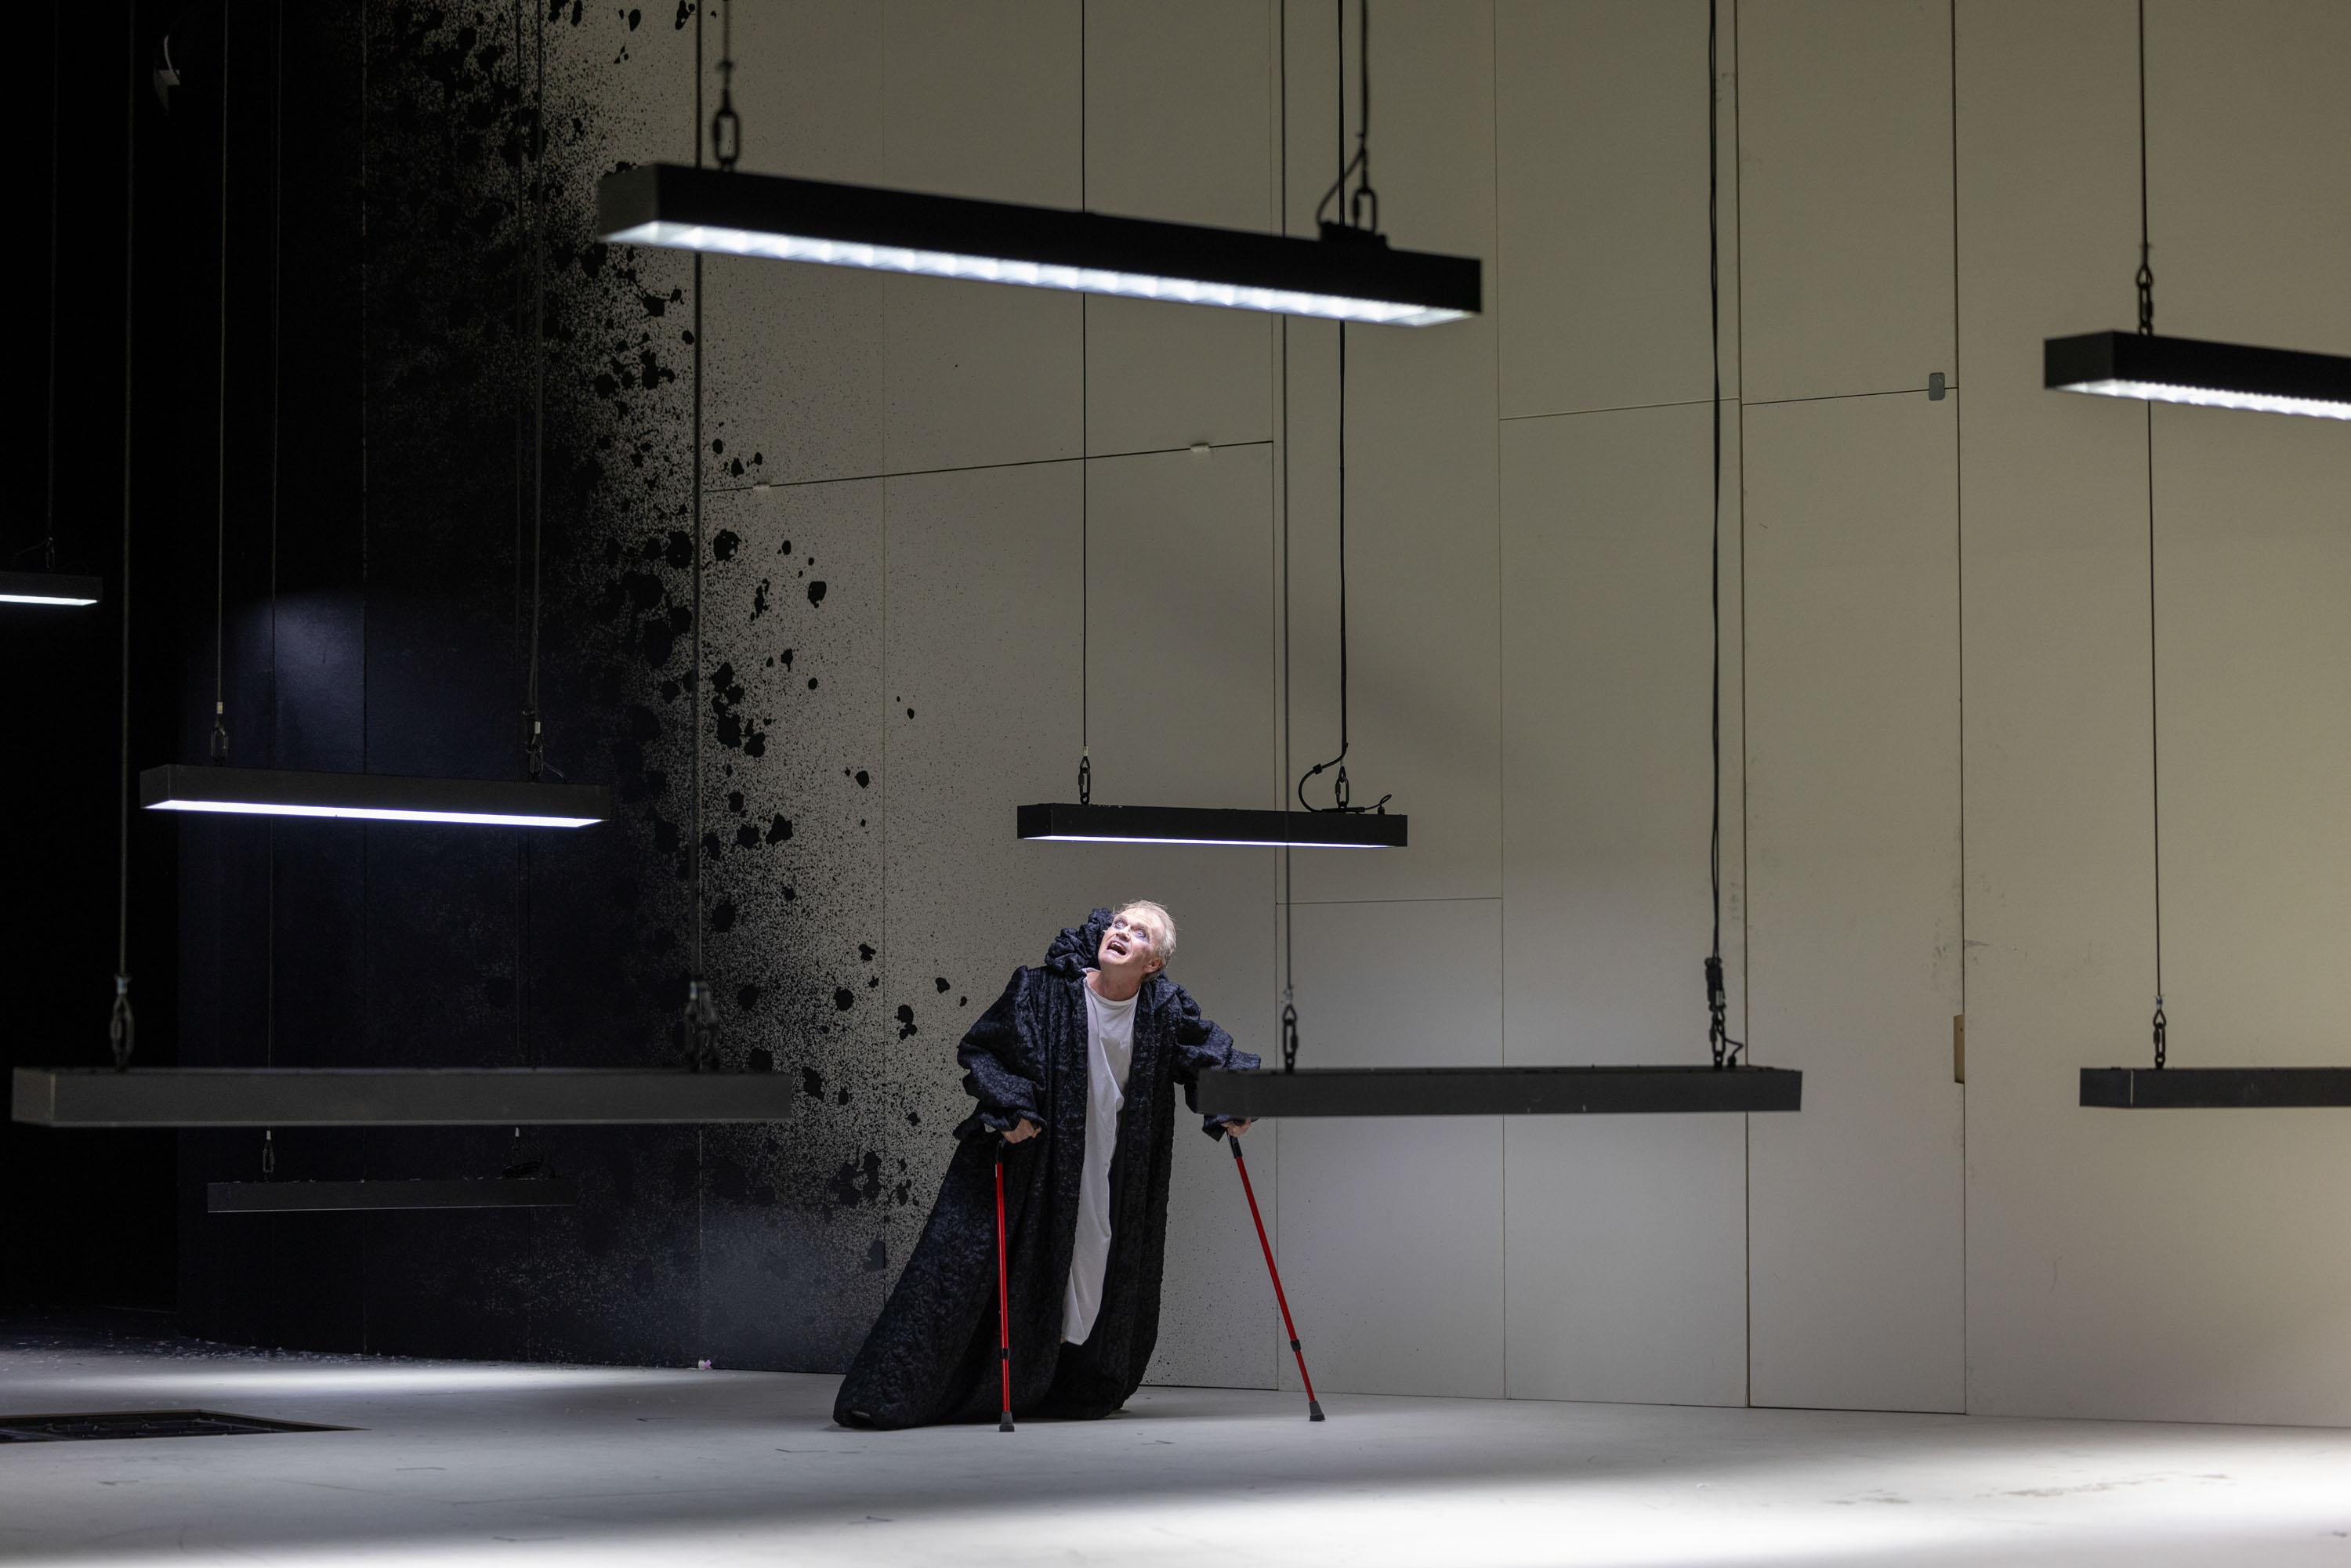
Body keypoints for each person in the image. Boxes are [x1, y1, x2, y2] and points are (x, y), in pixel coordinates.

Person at [833, 903, 1258, 1428]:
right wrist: (1012, 1107)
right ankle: (901, 1390)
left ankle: (1062, 1385)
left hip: (1110, 1162)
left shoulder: (1163, 1009)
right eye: (1119, 924)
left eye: (1139, 932)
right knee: (983, 1271)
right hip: (1040, 1160)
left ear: (1154, 963)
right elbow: (985, 1049)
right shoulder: (1044, 990)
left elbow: (1209, 1057)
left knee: (1094, 1271)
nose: (1122, 932)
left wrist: (1233, 1105)